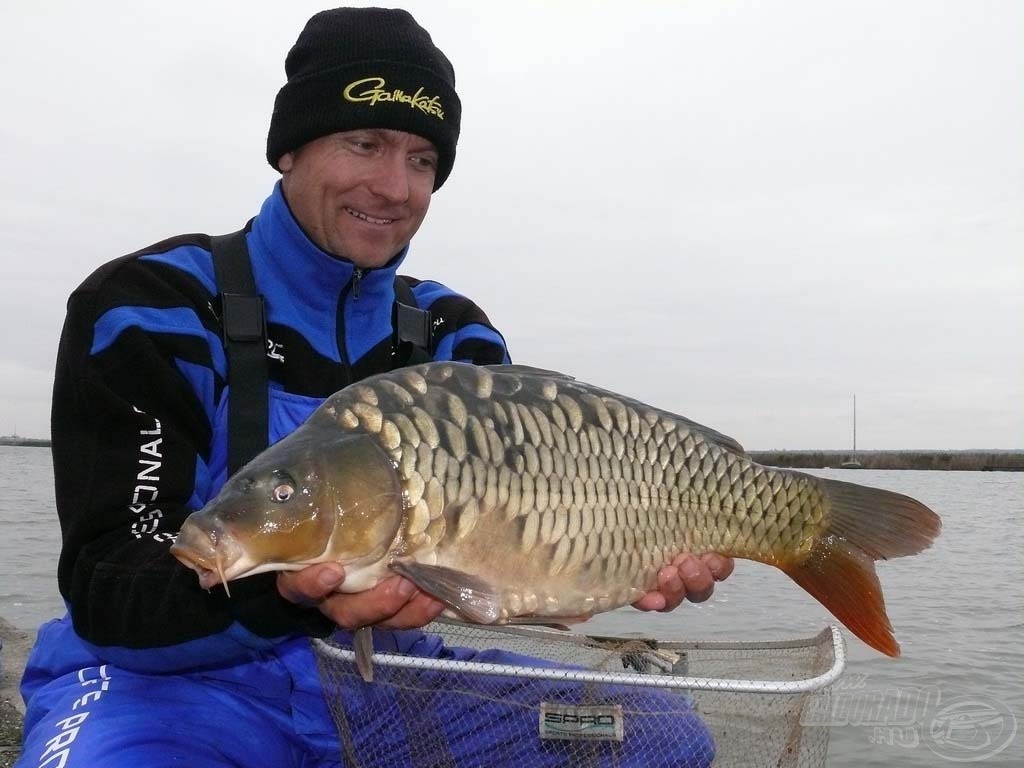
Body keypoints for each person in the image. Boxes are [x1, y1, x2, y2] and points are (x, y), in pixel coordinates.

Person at [17, 8, 734, 767]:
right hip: (164, 692)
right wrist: (293, 595)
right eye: (365, 142)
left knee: (658, 738)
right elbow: (107, 586)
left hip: (388, 681)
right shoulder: (150, 307)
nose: (395, 186)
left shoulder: (455, 336)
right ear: (289, 148)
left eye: (422, 160)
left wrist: (618, 559)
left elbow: (516, 550)